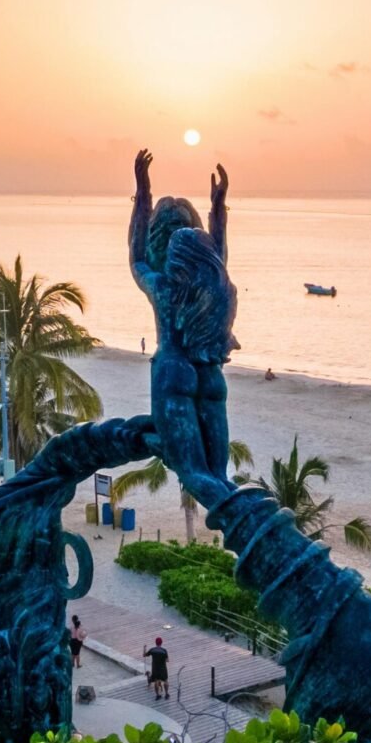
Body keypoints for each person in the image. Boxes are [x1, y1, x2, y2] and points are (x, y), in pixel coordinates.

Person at [128, 149, 238, 508]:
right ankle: (251, 521)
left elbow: (137, 257)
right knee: (220, 479)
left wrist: (142, 194)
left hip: (173, 373)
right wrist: (218, 208)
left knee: (194, 475)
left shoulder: (161, 286)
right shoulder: (211, 278)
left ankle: (253, 531)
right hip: (210, 376)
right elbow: (219, 251)